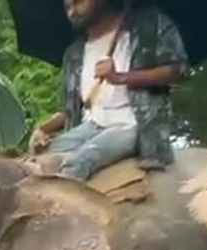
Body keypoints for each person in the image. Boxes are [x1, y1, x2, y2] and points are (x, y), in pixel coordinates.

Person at [28, 0, 187, 180]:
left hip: (132, 124)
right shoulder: (74, 53)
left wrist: (119, 77)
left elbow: (175, 71)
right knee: (39, 159)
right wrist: (43, 129)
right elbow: (68, 110)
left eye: (78, 2)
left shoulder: (151, 26)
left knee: (81, 160)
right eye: (67, 7)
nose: (72, 12)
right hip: (91, 125)